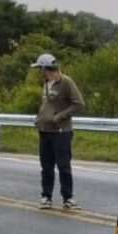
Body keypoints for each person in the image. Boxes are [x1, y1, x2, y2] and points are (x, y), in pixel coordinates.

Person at [32, 53, 85, 209]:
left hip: (61, 132)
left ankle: (68, 198)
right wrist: (39, 118)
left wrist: (60, 116)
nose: (38, 72)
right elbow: (47, 105)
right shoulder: (46, 83)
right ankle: (46, 197)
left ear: (45, 68)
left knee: (63, 166)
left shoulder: (66, 82)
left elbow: (79, 104)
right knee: (46, 166)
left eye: (39, 68)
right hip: (45, 130)